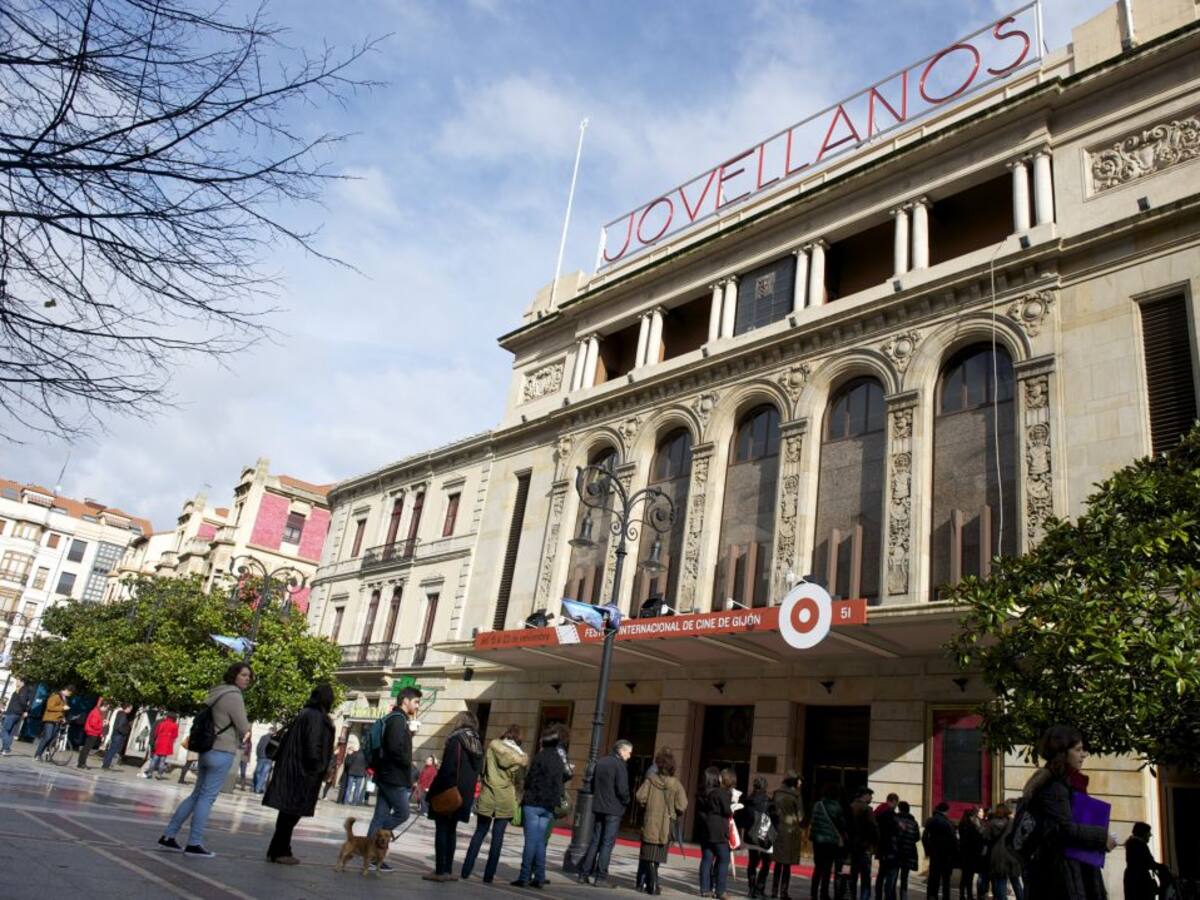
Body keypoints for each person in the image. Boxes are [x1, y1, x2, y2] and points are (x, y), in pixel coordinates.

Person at [156, 662, 252, 858]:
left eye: (249, 676)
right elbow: (243, 726)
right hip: (222, 750)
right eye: (243, 675)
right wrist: (246, 729)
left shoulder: (217, 692)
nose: (247, 679)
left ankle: (169, 835)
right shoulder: (234, 696)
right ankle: (194, 842)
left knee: (196, 795)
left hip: (207, 750)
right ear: (234, 675)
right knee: (207, 798)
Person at [1022, 725, 1116, 900]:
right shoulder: (1054, 787)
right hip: (1060, 878)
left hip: (1069, 872)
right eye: (1078, 749)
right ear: (1062, 752)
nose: (1084, 754)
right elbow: (1063, 829)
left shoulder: (1066, 783)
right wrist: (1102, 837)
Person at [262, 683, 336, 865]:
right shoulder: (316, 717)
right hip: (302, 772)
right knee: (291, 814)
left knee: (287, 813)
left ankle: (277, 849)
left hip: (293, 769)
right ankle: (280, 851)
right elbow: (313, 745)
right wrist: (320, 768)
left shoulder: (305, 713)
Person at [462, 724, 527, 883]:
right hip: (505, 798)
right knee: (498, 838)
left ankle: (466, 870)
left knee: (479, 832)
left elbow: (483, 770)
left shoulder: (491, 748)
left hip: (488, 795)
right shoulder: (519, 757)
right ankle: (489, 875)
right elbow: (519, 780)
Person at [366, 685, 422, 872]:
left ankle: (371, 855)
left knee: (379, 815)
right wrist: (408, 764)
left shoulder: (395, 719)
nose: (417, 706)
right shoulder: (398, 720)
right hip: (394, 777)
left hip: (386, 774)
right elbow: (394, 748)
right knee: (403, 812)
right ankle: (376, 840)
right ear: (405, 701)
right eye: (416, 701)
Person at [424, 710, 484, 881]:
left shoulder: (456, 740)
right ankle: (448, 870)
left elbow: (447, 770)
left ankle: (440, 870)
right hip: (464, 795)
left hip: (449, 791)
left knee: (442, 830)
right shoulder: (477, 743)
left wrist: (432, 792)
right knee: (451, 831)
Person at [514, 725, 570, 889]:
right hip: (549, 806)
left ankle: (524, 877)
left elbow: (529, 780)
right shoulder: (560, 759)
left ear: (544, 741)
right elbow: (561, 781)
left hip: (534, 803)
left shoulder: (540, 757)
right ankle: (539, 877)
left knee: (531, 841)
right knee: (540, 842)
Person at [577, 738, 634, 887]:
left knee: (595, 840)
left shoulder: (601, 762)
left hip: (599, 806)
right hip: (613, 809)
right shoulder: (620, 765)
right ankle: (601, 877)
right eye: (628, 752)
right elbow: (622, 789)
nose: (629, 756)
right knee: (607, 843)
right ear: (621, 751)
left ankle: (584, 874)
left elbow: (594, 783)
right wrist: (627, 801)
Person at [636, 747, 687, 897]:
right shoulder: (676, 784)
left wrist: (648, 806)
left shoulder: (650, 780)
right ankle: (654, 885)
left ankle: (649, 884)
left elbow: (640, 797)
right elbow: (682, 805)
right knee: (656, 857)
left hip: (651, 822)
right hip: (666, 825)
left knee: (649, 855)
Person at [696, 765, 733, 900]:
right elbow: (727, 810)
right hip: (718, 829)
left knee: (707, 859)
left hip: (704, 829)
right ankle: (720, 890)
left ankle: (705, 889)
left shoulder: (701, 793)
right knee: (723, 858)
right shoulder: (719, 793)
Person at [809, 783, 848, 900]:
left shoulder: (817, 805)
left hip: (817, 841)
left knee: (817, 868)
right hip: (830, 842)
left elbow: (813, 821)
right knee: (827, 869)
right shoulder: (837, 807)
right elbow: (842, 825)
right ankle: (824, 894)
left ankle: (813, 893)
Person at [736, 774, 772, 899]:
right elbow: (772, 818)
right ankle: (759, 889)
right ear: (765, 787)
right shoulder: (768, 801)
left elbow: (741, 820)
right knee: (766, 863)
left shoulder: (747, 800)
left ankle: (751, 889)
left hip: (750, 836)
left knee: (752, 862)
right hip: (764, 836)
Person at [771, 770, 804, 900]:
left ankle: (774, 891)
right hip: (791, 831)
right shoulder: (796, 795)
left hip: (778, 830)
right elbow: (801, 817)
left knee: (778, 863)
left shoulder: (777, 793)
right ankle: (783, 892)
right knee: (787, 864)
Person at [985, 804, 1023, 900]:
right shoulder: (1012, 822)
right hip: (1011, 854)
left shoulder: (991, 823)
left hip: (997, 854)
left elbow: (986, 837)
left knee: (1000, 881)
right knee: (1016, 882)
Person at [922, 802, 958, 900]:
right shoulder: (949, 823)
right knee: (946, 880)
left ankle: (932, 896)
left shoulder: (930, 821)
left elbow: (924, 837)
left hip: (934, 854)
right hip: (947, 855)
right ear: (947, 811)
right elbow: (954, 840)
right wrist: (955, 854)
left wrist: (927, 851)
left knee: (933, 878)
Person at [848, 787, 878, 900]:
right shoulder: (867, 809)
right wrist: (875, 843)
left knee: (853, 875)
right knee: (865, 878)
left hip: (853, 846)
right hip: (865, 846)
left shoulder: (850, 806)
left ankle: (852, 896)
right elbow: (874, 828)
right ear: (865, 795)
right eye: (870, 795)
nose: (871, 798)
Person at [1124, 822, 1164, 900]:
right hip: (1140, 882)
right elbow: (1149, 862)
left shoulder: (1133, 844)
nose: (1150, 835)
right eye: (1148, 832)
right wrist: (1163, 867)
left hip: (1133, 880)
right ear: (1143, 833)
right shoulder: (1139, 845)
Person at [34, 685, 72, 760]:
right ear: (66, 690)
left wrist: (63, 718)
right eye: (70, 693)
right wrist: (62, 708)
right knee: (47, 737)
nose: (70, 694)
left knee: (52, 739)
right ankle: (38, 754)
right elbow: (49, 707)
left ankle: (47, 754)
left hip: (57, 720)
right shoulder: (56, 696)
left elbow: (61, 711)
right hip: (50, 719)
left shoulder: (64, 699)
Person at [875, 793, 901, 900]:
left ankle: (878, 896)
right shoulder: (890, 813)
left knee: (881, 875)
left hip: (881, 848)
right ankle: (889, 897)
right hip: (890, 849)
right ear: (893, 801)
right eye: (896, 803)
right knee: (891, 876)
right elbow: (893, 832)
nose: (896, 806)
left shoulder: (879, 811)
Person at [894, 801, 921, 900]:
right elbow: (917, 837)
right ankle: (903, 897)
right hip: (908, 853)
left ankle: (892, 896)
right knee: (904, 877)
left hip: (896, 852)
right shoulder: (913, 822)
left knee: (894, 876)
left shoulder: (895, 819)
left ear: (899, 809)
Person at [1, 680, 35, 755]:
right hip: (16, 713)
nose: (16, 682)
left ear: (22, 682)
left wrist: (25, 710)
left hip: (14, 712)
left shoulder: (23, 690)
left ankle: (6, 748)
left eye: (18, 681)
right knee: (10, 732)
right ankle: (4, 750)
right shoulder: (23, 690)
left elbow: (22, 701)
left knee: (4, 731)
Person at [957, 807, 984, 900]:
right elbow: (976, 841)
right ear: (971, 817)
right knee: (969, 876)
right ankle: (969, 895)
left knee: (964, 876)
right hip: (972, 855)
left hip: (964, 854)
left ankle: (962, 895)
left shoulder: (962, 825)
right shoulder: (972, 827)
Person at [145, 712, 179, 779]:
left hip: (159, 742)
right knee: (162, 760)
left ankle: (149, 773)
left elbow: (156, 733)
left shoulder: (162, 723)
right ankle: (159, 775)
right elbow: (175, 735)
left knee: (154, 759)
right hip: (167, 744)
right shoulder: (174, 725)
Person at [77, 700, 107, 768]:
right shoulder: (96, 712)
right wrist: (102, 724)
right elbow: (93, 724)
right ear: (104, 706)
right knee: (87, 748)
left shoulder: (97, 711)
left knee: (86, 748)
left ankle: (81, 762)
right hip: (92, 732)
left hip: (93, 732)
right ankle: (81, 763)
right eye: (106, 708)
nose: (106, 710)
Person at [102, 704, 133, 769]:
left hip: (116, 734)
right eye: (130, 709)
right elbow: (120, 726)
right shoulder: (123, 715)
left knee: (111, 750)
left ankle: (106, 764)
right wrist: (125, 732)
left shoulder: (120, 713)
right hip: (118, 735)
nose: (130, 710)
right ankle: (106, 765)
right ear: (126, 708)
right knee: (112, 750)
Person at [343, 740, 368, 807]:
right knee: (357, 788)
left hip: (352, 772)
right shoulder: (365, 756)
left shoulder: (354, 753)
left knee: (349, 788)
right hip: (360, 773)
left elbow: (348, 763)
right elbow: (367, 765)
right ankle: (354, 802)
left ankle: (346, 801)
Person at [253, 726, 276, 793]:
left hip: (269, 759)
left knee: (262, 773)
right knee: (258, 772)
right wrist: (258, 755)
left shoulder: (275, 739)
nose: (271, 732)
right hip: (262, 757)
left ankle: (257, 789)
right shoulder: (264, 737)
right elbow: (259, 746)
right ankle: (260, 787)